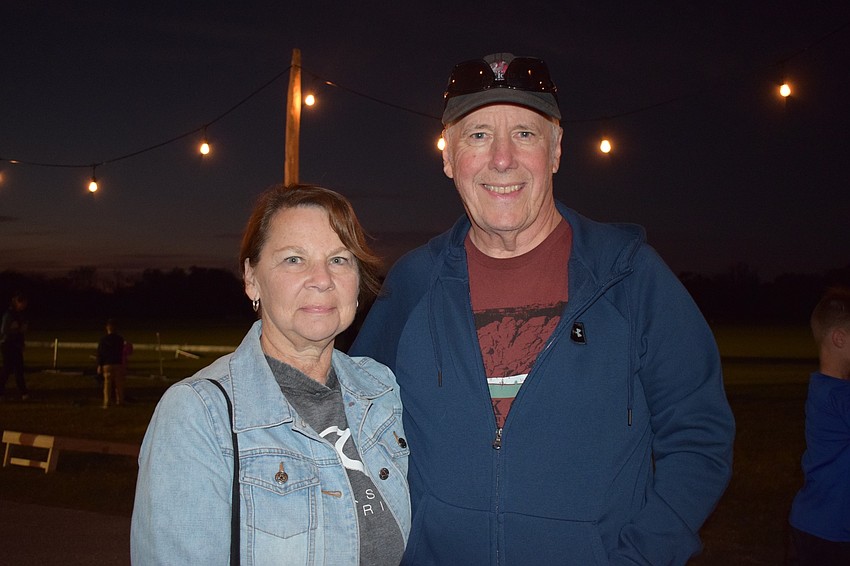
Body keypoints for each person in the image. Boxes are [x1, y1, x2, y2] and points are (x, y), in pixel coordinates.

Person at [350, 53, 735, 565]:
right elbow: (352, 425)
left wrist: (643, 556)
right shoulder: (415, 283)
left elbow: (700, 437)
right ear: (448, 158)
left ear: (556, 151)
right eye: (479, 135)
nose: (503, 159)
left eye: (526, 135)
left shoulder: (629, 278)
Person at [131, 184, 410, 565]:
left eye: (339, 260)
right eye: (294, 259)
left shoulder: (381, 391)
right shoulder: (199, 415)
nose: (322, 279)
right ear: (251, 279)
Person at [788, 286, 850, 565]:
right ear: (839, 338)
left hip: (820, 526)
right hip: (827, 534)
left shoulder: (828, 389)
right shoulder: (836, 396)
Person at [0, 293, 29, 401]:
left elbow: (20, 331)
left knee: (19, 369)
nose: (24, 306)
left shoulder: (19, 315)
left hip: (16, 345)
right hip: (8, 344)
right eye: (23, 303)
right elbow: (4, 331)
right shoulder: (9, 315)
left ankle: (24, 393)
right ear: (17, 302)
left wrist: (22, 341)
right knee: (7, 370)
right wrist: (16, 329)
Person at [96, 318, 128, 408]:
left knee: (107, 385)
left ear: (107, 328)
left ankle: (107, 402)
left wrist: (99, 365)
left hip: (107, 364)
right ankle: (120, 401)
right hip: (117, 363)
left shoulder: (103, 340)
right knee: (119, 384)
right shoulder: (120, 339)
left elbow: (100, 353)